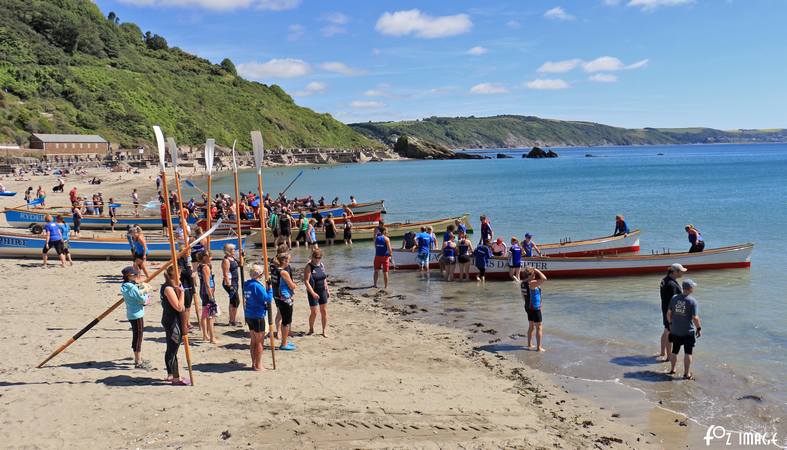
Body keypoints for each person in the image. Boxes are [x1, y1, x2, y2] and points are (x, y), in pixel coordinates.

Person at [667, 279, 701, 380]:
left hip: (675, 330)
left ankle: (672, 369)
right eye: (693, 287)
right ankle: (686, 374)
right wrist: (699, 328)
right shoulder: (692, 301)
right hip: (687, 331)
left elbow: (669, 313)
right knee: (688, 352)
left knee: (675, 351)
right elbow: (695, 317)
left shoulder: (674, 298)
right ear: (690, 289)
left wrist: (670, 323)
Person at [161, 265, 189, 385]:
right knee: (173, 349)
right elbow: (179, 307)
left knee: (171, 348)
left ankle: (171, 374)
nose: (181, 276)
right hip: (171, 321)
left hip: (172, 319)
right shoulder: (168, 288)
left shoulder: (171, 287)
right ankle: (175, 378)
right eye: (180, 274)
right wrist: (182, 293)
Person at [243, 264, 273, 371]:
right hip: (257, 315)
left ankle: (253, 363)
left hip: (249, 314)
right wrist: (270, 288)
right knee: (259, 341)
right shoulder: (257, 286)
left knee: (253, 340)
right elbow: (268, 298)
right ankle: (258, 365)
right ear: (259, 275)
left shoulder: (246, 284)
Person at [120, 266, 151, 369]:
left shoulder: (125, 285)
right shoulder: (131, 287)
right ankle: (138, 360)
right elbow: (141, 299)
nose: (137, 276)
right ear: (128, 276)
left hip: (131, 313)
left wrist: (140, 288)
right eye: (135, 275)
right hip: (136, 314)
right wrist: (146, 292)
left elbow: (136, 295)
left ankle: (138, 358)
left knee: (136, 335)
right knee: (138, 337)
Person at [659, 263, 686, 360]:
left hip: (665, 309)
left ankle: (662, 352)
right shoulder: (672, 284)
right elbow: (675, 301)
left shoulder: (665, 280)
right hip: (670, 312)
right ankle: (669, 356)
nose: (683, 273)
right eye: (681, 271)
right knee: (669, 332)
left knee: (666, 330)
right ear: (675, 272)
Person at [304, 249, 330, 337]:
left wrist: (327, 289)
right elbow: (306, 281)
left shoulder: (321, 265)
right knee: (314, 312)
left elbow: (324, 278)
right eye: (316, 257)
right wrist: (313, 293)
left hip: (322, 290)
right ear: (313, 257)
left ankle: (324, 330)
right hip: (313, 291)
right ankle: (311, 328)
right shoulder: (309, 266)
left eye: (319, 258)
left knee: (324, 311)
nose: (318, 259)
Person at [274, 253, 297, 351]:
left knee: (284, 320)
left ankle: (285, 341)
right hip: (285, 298)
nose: (289, 262)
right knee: (286, 321)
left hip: (278, 297)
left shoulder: (275, 270)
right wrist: (294, 286)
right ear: (284, 261)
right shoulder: (283, 272)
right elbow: (292, 285)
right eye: (288, 260)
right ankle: (284, 344)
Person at [522, 267, 547, 352]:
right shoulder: (532, 283)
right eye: (534, 273)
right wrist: (537, 270)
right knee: (539, 327)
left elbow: (523, 296)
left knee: (531, 326)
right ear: (531, 274)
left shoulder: (523, 283)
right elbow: (544, 279)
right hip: (534, 308)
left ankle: (529, 344)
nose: (535, 275)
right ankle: (539, 348)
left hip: (528, 307)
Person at [197, 251, 219, 343]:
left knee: (205, 313)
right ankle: (211, 338)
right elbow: (207, 282)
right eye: (210, 257)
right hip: (207, 292)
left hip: (203, 291)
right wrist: (210, 295)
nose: (211, 258)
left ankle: (205, 335)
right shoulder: (205, 267)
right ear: (205, 257)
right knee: (211, 314)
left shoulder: (200, 266)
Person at [221, 243, 241, 327]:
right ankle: (232, 320)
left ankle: (232, 319)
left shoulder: (233, 258)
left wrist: (241, 255)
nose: (234, 250)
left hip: (235, 282)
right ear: (228, 251)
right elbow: (225, 273)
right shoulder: (226, 260)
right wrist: (230, 285)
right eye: (233, 249)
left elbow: (240, 264)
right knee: (236, 301)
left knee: (233, 301)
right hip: (230, 283)